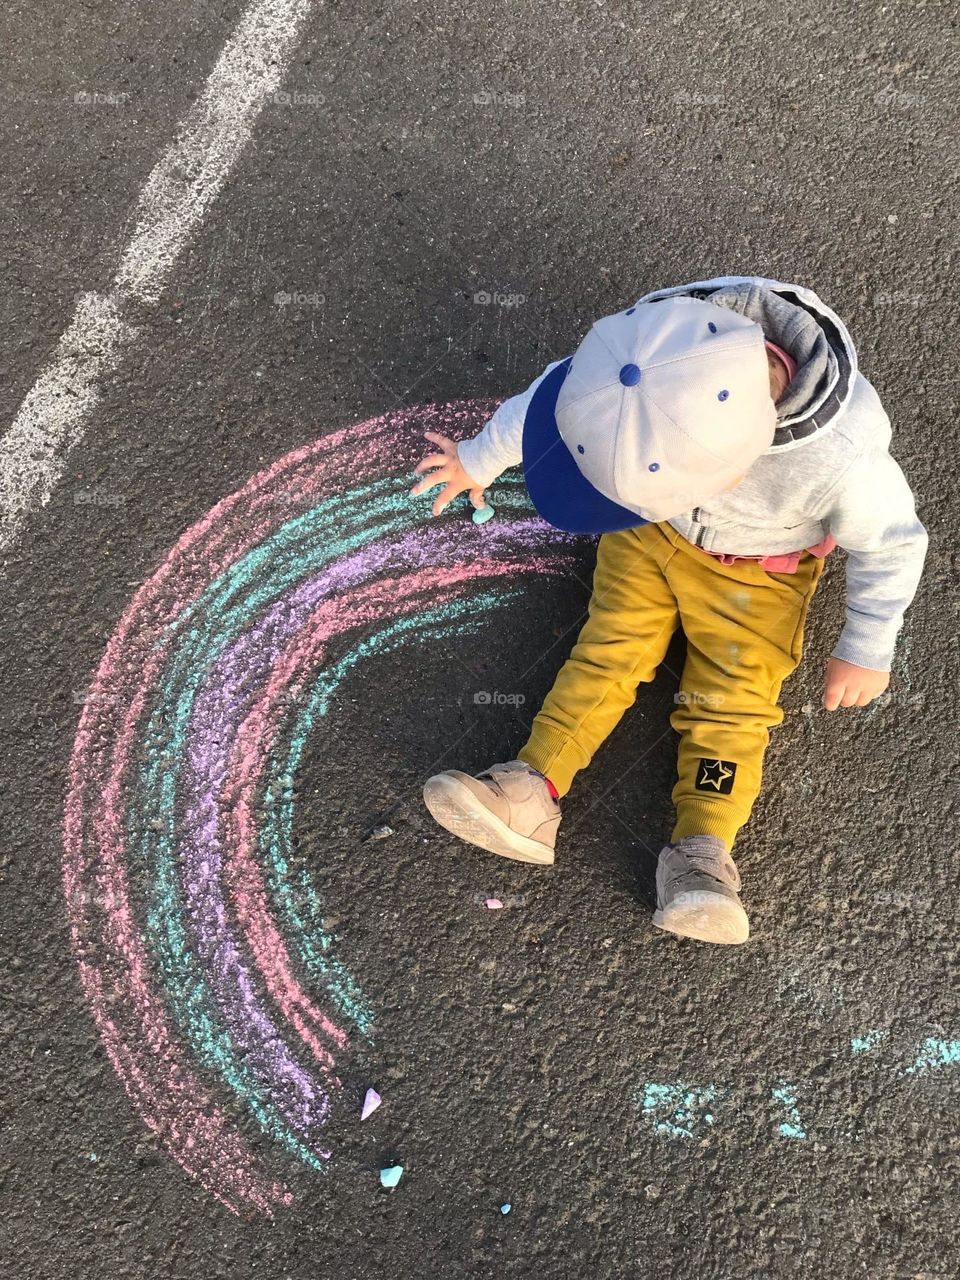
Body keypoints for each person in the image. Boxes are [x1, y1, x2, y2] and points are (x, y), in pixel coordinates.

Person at [410, 275, 928, 945]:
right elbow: (555, 395)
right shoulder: (650, 353)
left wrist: (867, 644)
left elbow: (892, 543)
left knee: (731, 702)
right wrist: (479, 460)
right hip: (650, 530)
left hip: (758, 577)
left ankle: (702, 853)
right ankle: (531, 787)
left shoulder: (844, 457)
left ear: (735, 473)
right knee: (608, 651)